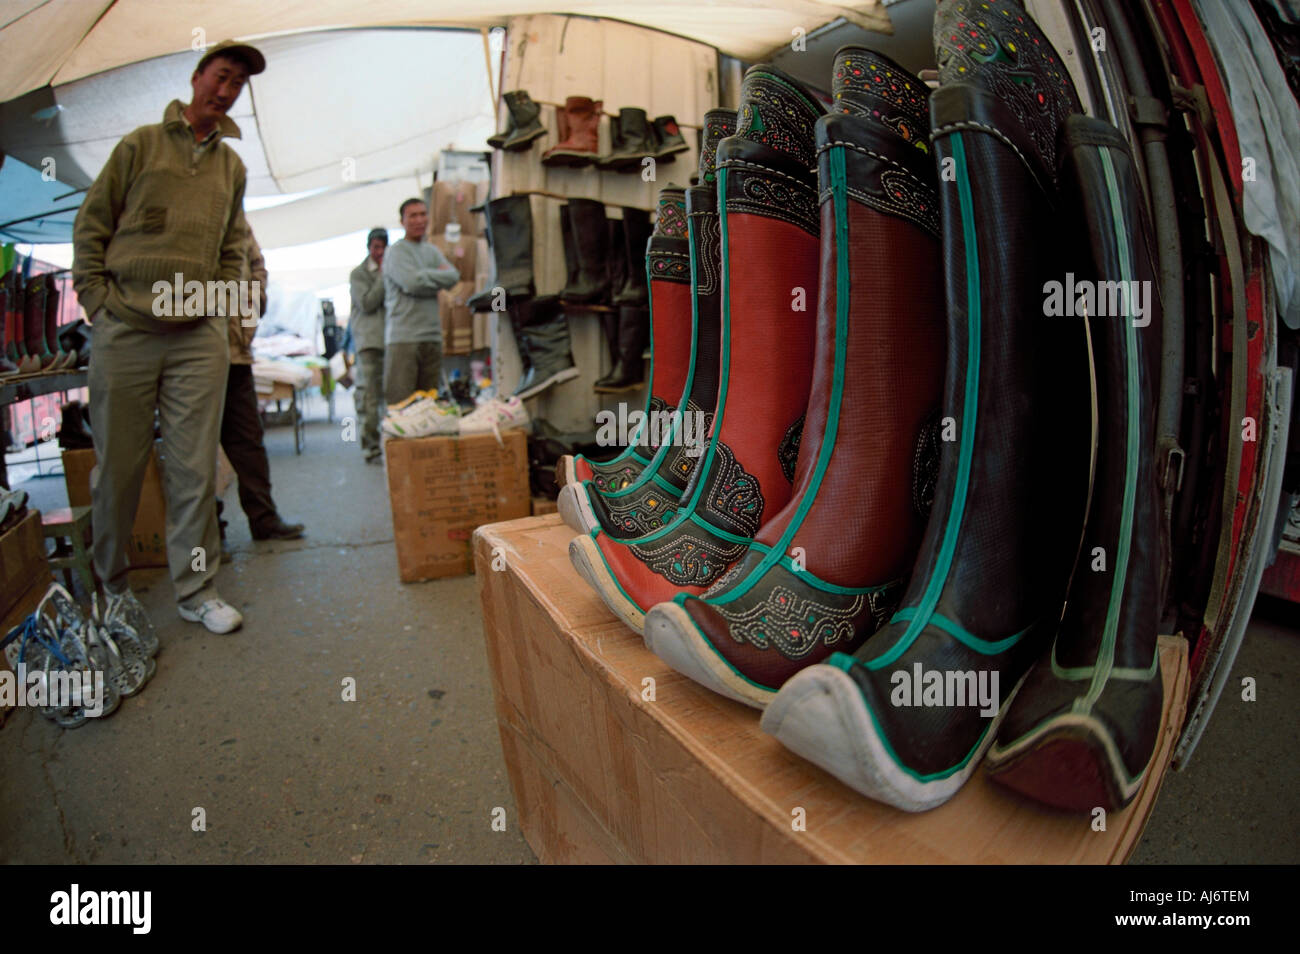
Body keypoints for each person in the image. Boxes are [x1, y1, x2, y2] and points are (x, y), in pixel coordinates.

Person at [71, 39, 266, 635]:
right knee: (120, 468)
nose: (227, 91)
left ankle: (197, 589)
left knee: (193, 470)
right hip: (126, 328)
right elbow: (92, 225)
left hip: (196, 338)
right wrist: (97, 303)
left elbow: (234, 247)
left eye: (237, 85)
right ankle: (111, 587)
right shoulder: (141, 145)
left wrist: (220, 313)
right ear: (197, 77)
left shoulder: (231, 167)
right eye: (222, 76)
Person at [220, 230, 305, 540]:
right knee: (195, 453)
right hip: (193, 356)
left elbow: (257, 265)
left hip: (237, 354)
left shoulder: (236, 223)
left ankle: (264, 520)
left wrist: (254, 302)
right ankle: (207, 535)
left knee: (249, 441)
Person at [383, 198, 459, 405]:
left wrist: (423, 275)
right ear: (402, 221)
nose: (419, 220)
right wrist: (435, 277)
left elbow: (453, 277)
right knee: (401, 406)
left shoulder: (431, 251)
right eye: (413, 215)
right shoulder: (396, 252)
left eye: (423, 214)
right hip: (404, 339)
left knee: (429, 406)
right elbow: (411, 283)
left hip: (432, 336)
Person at [348, 228, 388, 462]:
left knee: (390, 395)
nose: (380, 252)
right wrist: (383, 276)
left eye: (383, 247)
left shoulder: (391, 270)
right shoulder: (359, 274)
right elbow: (367, 303)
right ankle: (370, 447)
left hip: (390, 340)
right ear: (369, 248)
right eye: (376, 247)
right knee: (370, 396)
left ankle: (388, 442)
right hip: (370, 342)